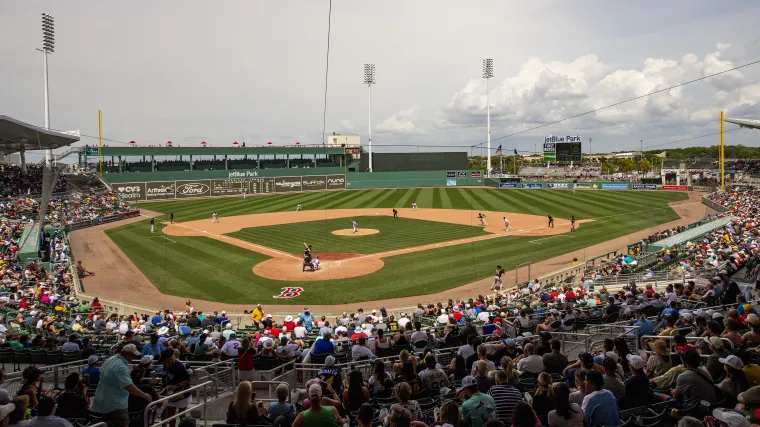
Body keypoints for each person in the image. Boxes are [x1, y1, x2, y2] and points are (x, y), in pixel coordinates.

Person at [93, 344, 152, 427]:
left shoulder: (110, 359)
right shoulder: (121, 367)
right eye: (132, 355)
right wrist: (144, 395)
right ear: (124, 353)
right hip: (116, 405)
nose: (134, 358)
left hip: (101, 401)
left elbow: (101, 374)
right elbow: (128, 386)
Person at [159, 349, 191, 427]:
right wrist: (162, 388)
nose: (163, 363)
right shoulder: (166, 366)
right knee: (170, 415)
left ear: (169, 359)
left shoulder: (179, 366)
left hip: (183, 394)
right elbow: (166, 379)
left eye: (164, 361)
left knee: (181, 415)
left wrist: (176, 386)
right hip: (171, 394)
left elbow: (188, 379)